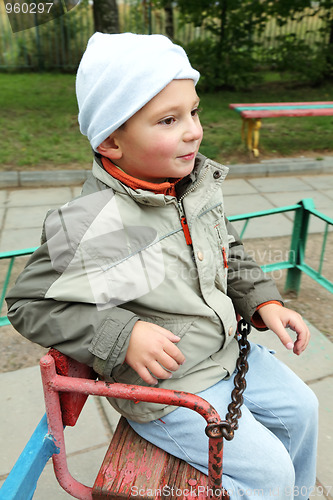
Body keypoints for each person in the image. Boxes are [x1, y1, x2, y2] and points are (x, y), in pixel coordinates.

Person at [6, 32, 318, 499]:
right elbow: (27, 303)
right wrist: (122, 335)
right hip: (169, 386)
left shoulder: (191, 187)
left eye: (193, 111)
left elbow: (226, 246)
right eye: (169, 120)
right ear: (111, 140)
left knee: (303, 409)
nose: (193, 129)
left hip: (226, 353)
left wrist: (263, 300)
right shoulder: (95, 222)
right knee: (267, 471)